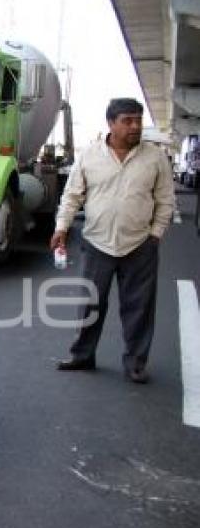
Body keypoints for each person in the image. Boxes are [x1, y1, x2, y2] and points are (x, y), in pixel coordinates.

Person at [51, 98, 175, 383]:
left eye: (138, 120)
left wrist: (155, 234)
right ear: (111, 123)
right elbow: (72, 196)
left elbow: (165, 200)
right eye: (127, 121)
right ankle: (82, 355)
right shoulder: (89, 156)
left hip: (140, 245)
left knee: (139, 307)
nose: (135, 127)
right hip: (97, 243)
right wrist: (61, 228)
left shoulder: (155, 157)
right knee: (90, 304)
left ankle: (136, 363)